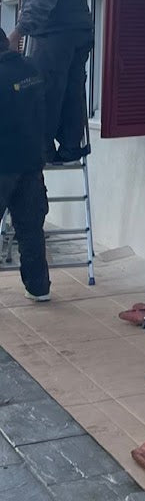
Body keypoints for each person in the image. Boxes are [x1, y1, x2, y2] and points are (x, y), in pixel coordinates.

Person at [5, 0, 94, 163]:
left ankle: (41, 150)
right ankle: (70, 147)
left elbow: (39, 3)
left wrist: (17, 34)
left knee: (41, 89)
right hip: (79, 33)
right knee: (72, 89)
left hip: (56, 37)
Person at [0, 27, 51, 302]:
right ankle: (39, 289)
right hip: (31, 163)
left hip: (2, 165)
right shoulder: (30, 69)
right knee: (31, 228)